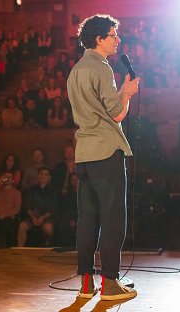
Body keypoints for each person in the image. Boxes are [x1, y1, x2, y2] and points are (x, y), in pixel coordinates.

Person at [67, 14, 140, 300]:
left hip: (84, 153)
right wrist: (127, 91)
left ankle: (86, 284)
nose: (117, 40)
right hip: (106, 151)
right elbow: (117, 113)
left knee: (87, 219)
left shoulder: (76, 70)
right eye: (112, 35)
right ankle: (110, 283)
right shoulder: (101, 68)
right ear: (99, 39)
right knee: (112, 219)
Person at [17, 167, 58, 247]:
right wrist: (33, 218)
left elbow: (53, 208)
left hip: (46, 217)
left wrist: (42, 218)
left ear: (49, 177)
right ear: (38, 176)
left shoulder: (53, 191)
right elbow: (27, 206)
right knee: (22, 226)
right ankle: (20, 250)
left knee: (48, 228)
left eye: (45, 174)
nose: (43, 176)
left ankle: (48, 250)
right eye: (41, 174)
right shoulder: (31, 190)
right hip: (32, 217)